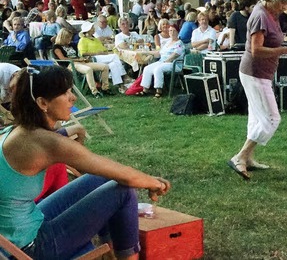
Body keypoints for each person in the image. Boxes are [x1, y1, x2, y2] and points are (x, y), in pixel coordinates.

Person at [0, 65, 170, 259]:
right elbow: (123, 175)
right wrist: (155, 183)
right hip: (27, 249)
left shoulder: (15, 132)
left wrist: (70, 131)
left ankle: (111, 250)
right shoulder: (48, 143)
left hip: (14, 234)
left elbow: (103, 170)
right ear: (42, 103)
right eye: (65, 93)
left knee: (98, 179)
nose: (72, 98)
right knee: (123, 191)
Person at [227, 0, 287, 180]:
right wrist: (285, 50)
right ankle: (241, 156)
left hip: (260, 73)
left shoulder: (271, 10)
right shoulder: (261, 16)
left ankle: (248, 158)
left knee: (257, 117)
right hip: (255, 73)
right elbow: (256, 50)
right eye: (280, 3)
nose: (283, 7)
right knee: (271, 118)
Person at [53, 29, 111, 98]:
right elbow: (63, 59)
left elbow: (78, 54)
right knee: (88, 70)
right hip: (71, 65)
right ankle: (95, 92)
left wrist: (84, 59)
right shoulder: (57, 47)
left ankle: (105, 88)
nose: (70, 39)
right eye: (68, 37)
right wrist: (78, 60)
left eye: (70, 37)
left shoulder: (71, 45)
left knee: (105, 67)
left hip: (80, 62)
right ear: (63, 37)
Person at [78, 21, 127, 93]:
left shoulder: (95, 39)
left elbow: (104, 49)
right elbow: (83, 53)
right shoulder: (83, 40)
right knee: (114, 56)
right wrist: (96, 53)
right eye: (92, 28)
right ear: (88, 30)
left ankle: (120, 86)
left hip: (101, 57)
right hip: (93, 58)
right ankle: (124, 76)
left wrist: (105, 52)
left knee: (113, 65)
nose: (94, 29)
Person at [137, 25, 185, 98]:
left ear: (178, 32)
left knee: (158, 69)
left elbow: (176, 54)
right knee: (147, 68)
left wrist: (167, 61)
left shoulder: (179, 43)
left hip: (174, 63)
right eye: (170, 31)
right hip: (162, 61)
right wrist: (147, 52)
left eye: (174, 31)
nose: (171, 32)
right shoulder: (168, 42)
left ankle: (159, 90)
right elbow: (159, 53)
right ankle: (145, 89)